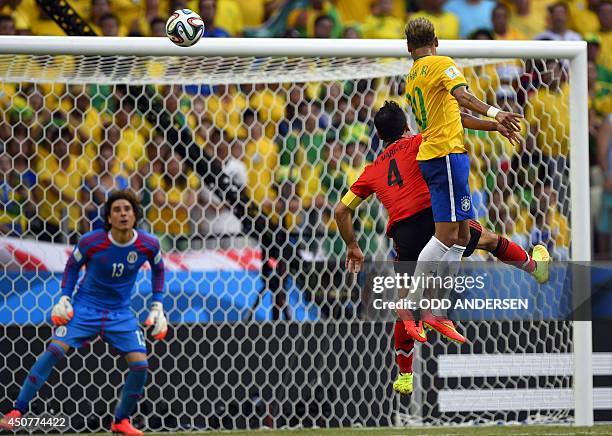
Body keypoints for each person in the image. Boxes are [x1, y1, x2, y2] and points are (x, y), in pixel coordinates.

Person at [334, 101, 550, 395]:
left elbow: (340, 212)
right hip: (437, 222)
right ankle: (534, 268)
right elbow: (456, 121)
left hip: (404, 234)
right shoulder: (420, 142)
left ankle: (405, 375)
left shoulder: (370, 172)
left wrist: (353, 246)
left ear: (381, 137)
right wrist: (494, 123)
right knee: (489, 240)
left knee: (406, 306)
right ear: (407, 126)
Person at [402, 18, 540, 342]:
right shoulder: (442, 64)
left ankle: (438, 310)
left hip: (441, 156)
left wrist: (494, 127)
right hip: (446, 157)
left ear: (409, 48)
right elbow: (463, 97)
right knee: (447, 236)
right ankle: (412, 304)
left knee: (464, 235)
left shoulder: (412, 76)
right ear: (436, 40)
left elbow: (456, 115)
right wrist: (496, 113)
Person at [0, 190, 168, 436]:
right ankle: (16, 413)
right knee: (54, 350)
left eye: (127, 209)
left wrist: (157, 305)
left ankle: (121, 421)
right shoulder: (91, 241)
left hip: (120, 313)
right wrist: (65, 297)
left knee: (140, 365)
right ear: (109, 218)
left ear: (135, 215)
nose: (123, 213)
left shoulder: (148, 244)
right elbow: (72, 267)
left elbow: (159, 271)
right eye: (117, 210)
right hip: (85, 308)